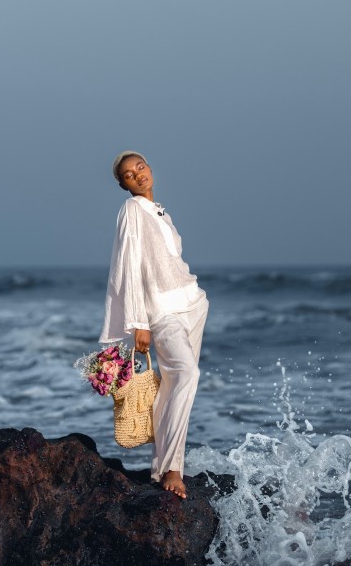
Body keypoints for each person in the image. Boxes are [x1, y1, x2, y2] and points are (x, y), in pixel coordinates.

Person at [99, 150, 208, 499]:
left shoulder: (159, 211)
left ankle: (162, 467)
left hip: (192, 304)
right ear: (122, 185)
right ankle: (173, 470)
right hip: (162, 312)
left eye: (140, 167)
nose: (138, 175)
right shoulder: (132, 210)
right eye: (129, 174)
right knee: (187, 375)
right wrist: (138, 322)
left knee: (175, 385)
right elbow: (128, 266)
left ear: (149, 167)